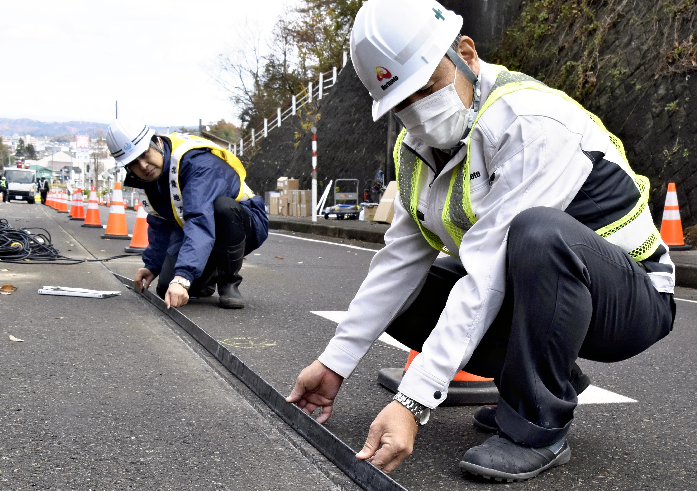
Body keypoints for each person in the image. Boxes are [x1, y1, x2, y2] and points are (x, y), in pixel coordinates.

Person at [287, 0, 675, 482]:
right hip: (557, 294)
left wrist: (413, 400)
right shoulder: (416, 150)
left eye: (427, 88)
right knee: (415, 293)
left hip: (631, 299)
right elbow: (397, 264)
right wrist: (334, 363)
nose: (420, 114)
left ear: (466, 54)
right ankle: (538, 382)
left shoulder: (531, 123)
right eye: (402, 105)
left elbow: (489, 271)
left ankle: (538, 425)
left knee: (537, 233)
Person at [106, 120, 269, 309]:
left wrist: (183, 277)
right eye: (133, 163)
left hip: (242, 223)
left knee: (223, 208)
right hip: (198, 229)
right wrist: (152, 266)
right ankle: (205, 277)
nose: (143, 166)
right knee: (167, 287)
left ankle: (228, 280)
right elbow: (161, 224)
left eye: (144, 154)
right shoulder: (151, 179)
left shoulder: (198, 163)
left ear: (156, 142)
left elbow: (199, 220)